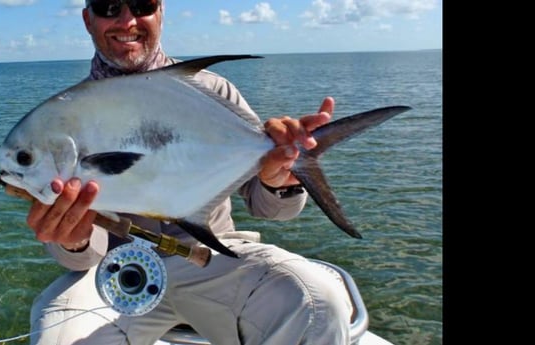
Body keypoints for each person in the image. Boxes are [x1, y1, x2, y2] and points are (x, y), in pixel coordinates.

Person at [26, 0, 353, 344]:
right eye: (109, 6)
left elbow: (269, 208)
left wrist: (279, 180)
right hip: (111, 273)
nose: (127, 20)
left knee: (318, 303)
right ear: (87, 19)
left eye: (142, 4)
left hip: (214, 258)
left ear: (161, 11)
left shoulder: (213, 91)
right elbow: (82, 258)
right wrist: (73, 241)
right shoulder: (62, 121)